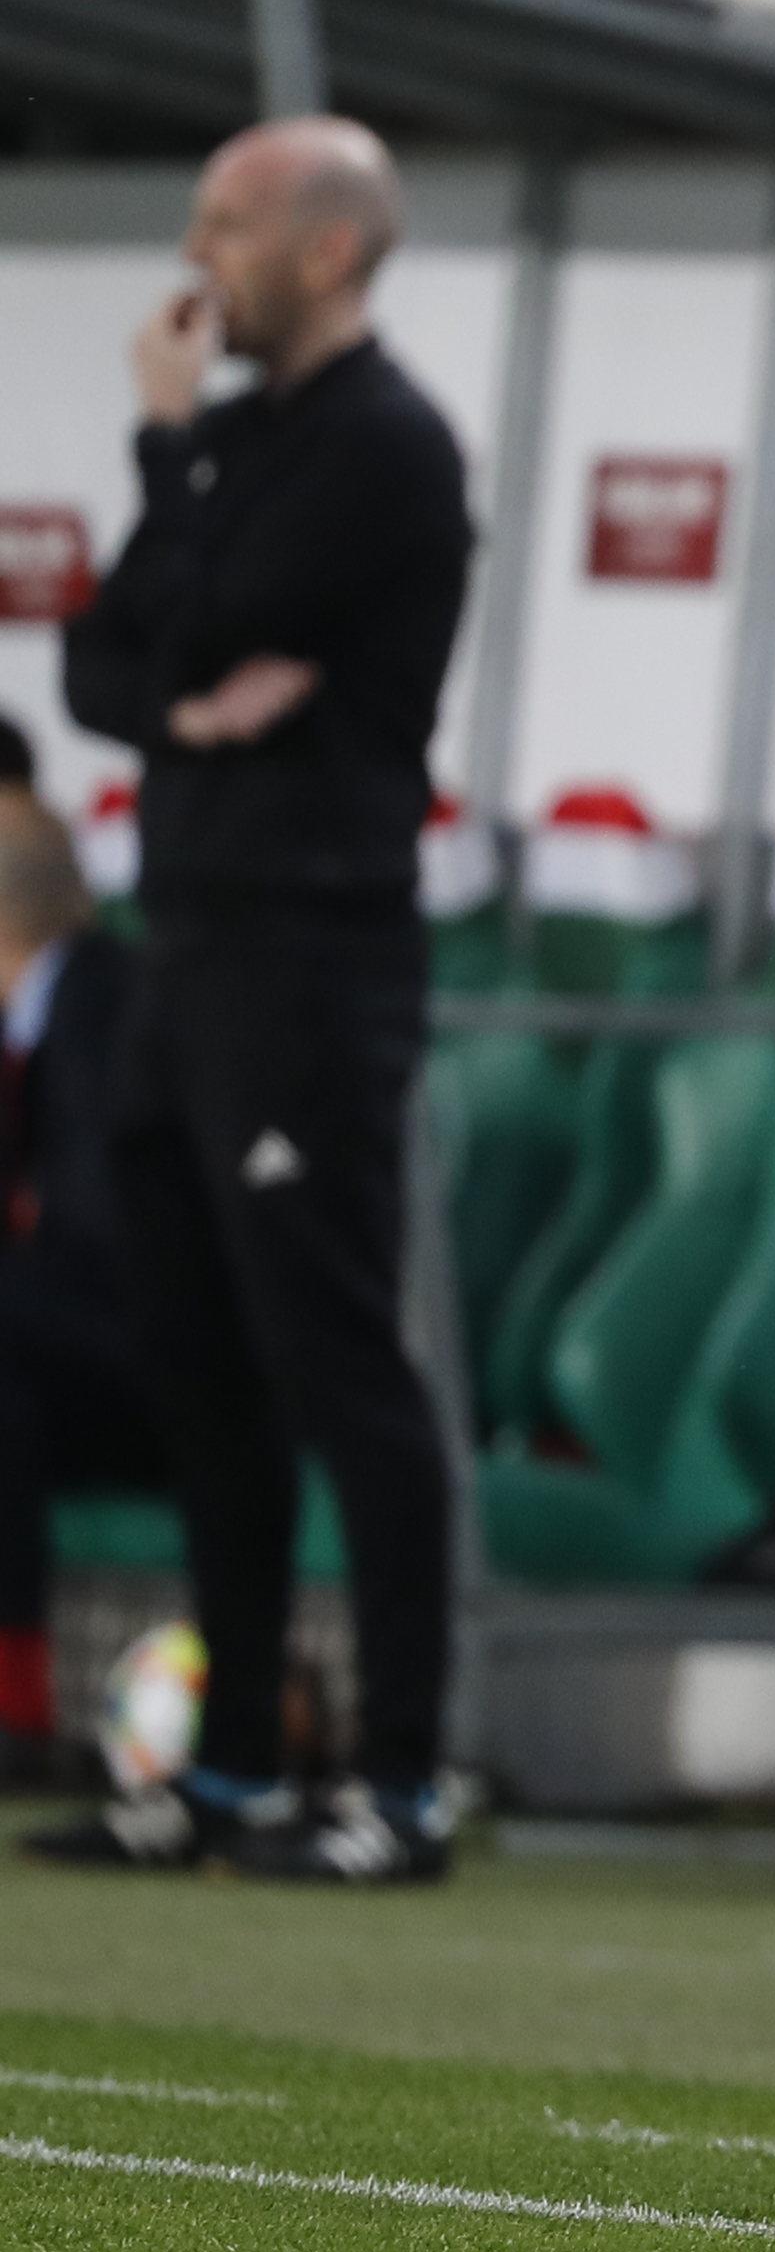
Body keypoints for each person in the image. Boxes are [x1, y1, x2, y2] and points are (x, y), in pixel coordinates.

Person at [27, 116, 472, 1882]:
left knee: (336, 1361)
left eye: (225, 226)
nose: (193, 260)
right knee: (199, 1365)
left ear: (327, 250)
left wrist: (161, 456)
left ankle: (403, 1782)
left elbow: (207, 615)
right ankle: (219, 1775)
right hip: (185, 952)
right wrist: (187, 697)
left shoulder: (385, 446)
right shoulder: (233, 449)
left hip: (311, 960)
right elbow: (105, 662)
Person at [0, 796, 146, 1788]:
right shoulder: (38, 1017)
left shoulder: (110, 1009)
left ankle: (17, 1707)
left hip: (153, 1366)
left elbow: (102, 1237)